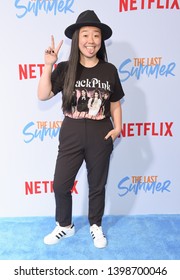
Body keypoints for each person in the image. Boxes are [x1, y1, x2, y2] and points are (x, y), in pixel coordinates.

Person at [37, 10, 125, 248]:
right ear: (77, 39)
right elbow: (43, 95)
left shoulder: (109, 70)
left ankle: (96, 225)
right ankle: (65, 226)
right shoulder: (65, 68)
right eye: (85, 35)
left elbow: (115, 102)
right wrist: (48, 66)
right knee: (60, 184)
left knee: (97, 184)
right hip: (72, 130)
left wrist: (118, 128)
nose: (91, 40)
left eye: (96, 35)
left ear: (101, 40)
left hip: (100, 132)